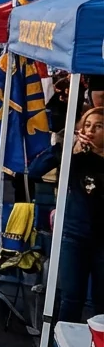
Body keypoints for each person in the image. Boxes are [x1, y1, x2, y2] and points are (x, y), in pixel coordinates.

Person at [56, 107, 104, 324]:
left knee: (101, 301)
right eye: (87, 125)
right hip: (75, 236)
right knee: (71, 298)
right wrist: (68, 150)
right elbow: (36, 170)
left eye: (99, 126)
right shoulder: (76, 159)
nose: (91, 130)